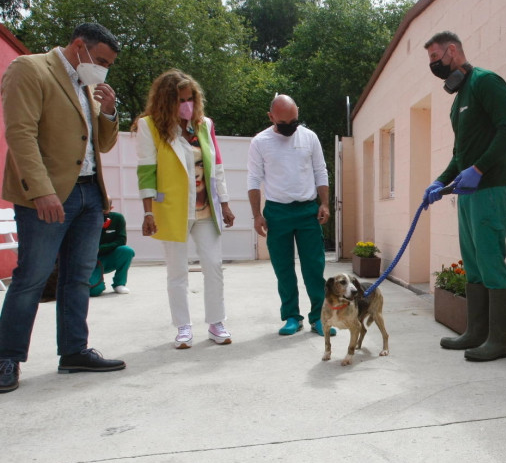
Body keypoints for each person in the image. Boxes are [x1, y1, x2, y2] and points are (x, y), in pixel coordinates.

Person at [0, 22, 126, 394]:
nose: (103, 68)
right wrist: (41, 191)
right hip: (49, 196)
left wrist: (109, 111)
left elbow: (101, 145)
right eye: (100, 59)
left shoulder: (87, 85)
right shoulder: (30, 68)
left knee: (78, 277)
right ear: (78, 46)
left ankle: (73, 351)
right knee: (32, 278)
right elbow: (20, 134)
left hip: (89, 194)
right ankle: (6, 357)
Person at [422, 31, 506, 362]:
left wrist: (478, 169)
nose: (434, 65)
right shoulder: (458, 101)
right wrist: (440, 181)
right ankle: (477, 332)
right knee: (474, 262)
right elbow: (458, 154)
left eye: (436, 58)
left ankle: (500, 341)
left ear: (452, 51)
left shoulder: (486, 82)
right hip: (467, 193)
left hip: (490, 187)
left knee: (491, 260)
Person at [136, 70, 235, 349]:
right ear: (167, 101)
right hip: (172, 210)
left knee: (213, 266)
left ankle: (216, 323)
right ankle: (183, 327)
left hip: (206, 209)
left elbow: (217, 167)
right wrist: (147, 212)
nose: (187, 105)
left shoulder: (204, 125)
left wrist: (225, 204)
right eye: (181, 100)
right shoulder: (149, 127)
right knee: (177, 271)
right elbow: (146, 172)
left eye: (190, 98)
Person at [247, 94, 335, 338]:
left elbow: (320, 170)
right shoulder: (260, 142)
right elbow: (253, 179)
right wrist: (256, 215)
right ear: (271, 117)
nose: (290, 128)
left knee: (314, 267)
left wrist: (325, 203)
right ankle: (291, 317)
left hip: (308, 211)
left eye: (294, 122)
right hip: (277, 212)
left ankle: (319, 317)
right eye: (283, 123)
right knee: (283, 269)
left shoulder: (309, 137)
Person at [89, 203, 134, 296]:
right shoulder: (86, 219)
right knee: (94, 291)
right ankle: (98, 282)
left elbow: (121, 240)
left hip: (109, 257)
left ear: (111, 208)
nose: (102, 212)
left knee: (127, 251)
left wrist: (100, 248)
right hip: (91, 261)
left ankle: (119, 283)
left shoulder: (117, 218)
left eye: (104, 209)